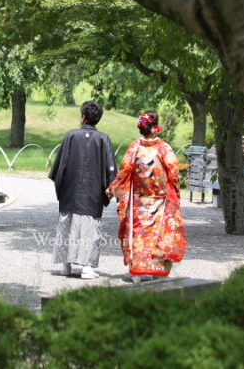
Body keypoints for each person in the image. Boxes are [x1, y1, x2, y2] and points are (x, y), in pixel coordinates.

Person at [106, 111, 187, 282]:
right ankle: (156, 269)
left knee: (139, 234)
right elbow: (173, 172)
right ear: (155, 127)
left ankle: (138, 270)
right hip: (160, 200)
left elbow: (123, 173)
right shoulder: (164, 148)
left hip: (139, 201)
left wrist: (112, 189)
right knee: (159, 234)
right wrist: (175, 194)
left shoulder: (134, 148)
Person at [49, 101, 116, 279]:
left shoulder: (71, 135)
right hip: (93, 192)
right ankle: (87, 267)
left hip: (70, 191)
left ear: (83, 117)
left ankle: (66, 265)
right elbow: (111, 169)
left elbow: (60, 166)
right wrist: (109, 189)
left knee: (68, 225)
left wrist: (61, 187)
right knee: (89, 228)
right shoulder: (103, 139)